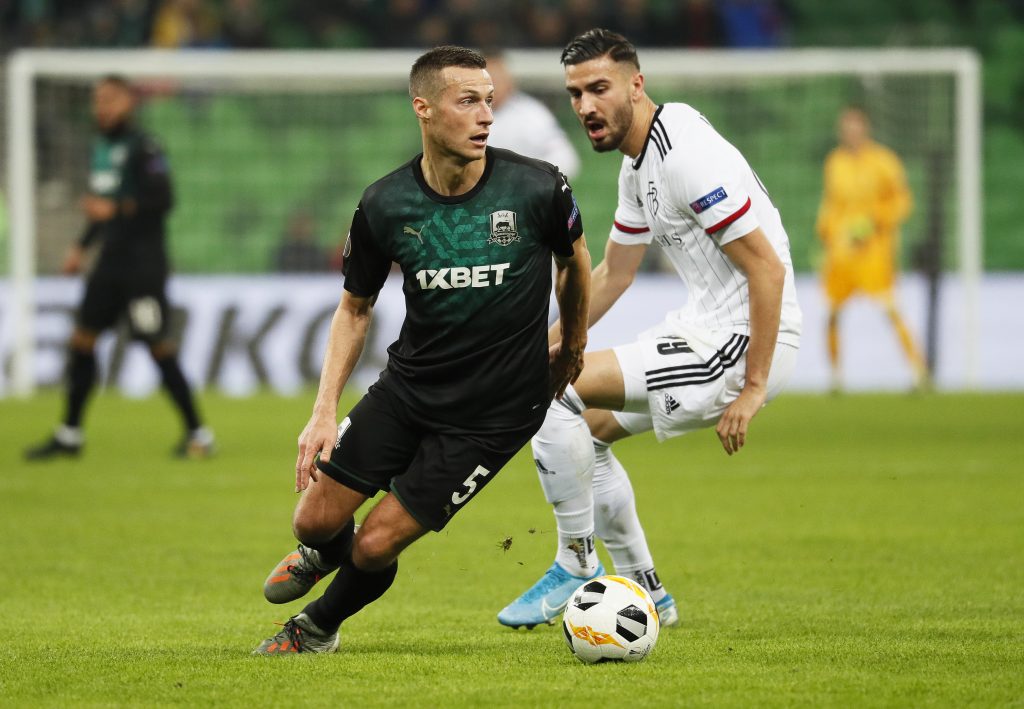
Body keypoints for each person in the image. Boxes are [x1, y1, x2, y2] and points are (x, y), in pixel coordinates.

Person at [253, 45, 591, 655]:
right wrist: (323, 410)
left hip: (495, 413)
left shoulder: (537, 187)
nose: (486, 115)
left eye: (489, 101)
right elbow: (354, 309)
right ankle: (321, 553)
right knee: (314, 521)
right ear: (424, 109)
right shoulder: (385, 204)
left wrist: (572, 342)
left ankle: (316, 628)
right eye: (468, 101)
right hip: (409, 390)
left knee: (374, 544)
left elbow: (575, 263)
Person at [497, 29, 802, 629]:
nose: (585, 106)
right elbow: (614, 274)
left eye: (599, 88)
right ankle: (646, 589)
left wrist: (754, 387)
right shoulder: (639, 164)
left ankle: (576, 560)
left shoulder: (688, 158)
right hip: (704, 327)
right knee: (585, 431)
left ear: (636, 85)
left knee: (555, 392)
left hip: (739, 343)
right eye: (575, 93)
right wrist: (540, 345)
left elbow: (766, 269)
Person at [26, 75, 214, 461]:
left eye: (110, 99)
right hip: (109, 263)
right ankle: (69, 434)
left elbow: (163, 199)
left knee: (157, 344)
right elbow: (103, 208)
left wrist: (116, 209)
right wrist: (81, 247)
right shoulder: (102, 146)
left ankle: (199, 433)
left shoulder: (145, 146)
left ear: (129, 102)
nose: (102, 107)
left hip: (142, 267)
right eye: (98, 100)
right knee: (82, 341)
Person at [817, 106, 928, 392]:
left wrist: (876, 220)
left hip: (874, 252)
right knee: (831, 312)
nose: (850, 133)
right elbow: (831, 203)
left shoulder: (883, 161)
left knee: (891, 309)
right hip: (841, 253)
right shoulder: (835, 162)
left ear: (865, 129)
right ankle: (835, 378)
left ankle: (917, 372)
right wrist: (825, 230)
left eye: (855, 127)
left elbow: (902, 201)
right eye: (846, 128)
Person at [483, 50, 581, 180]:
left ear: (510, 81)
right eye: (488, 80)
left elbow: (566, 160)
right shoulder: (463, 115)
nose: (494, 86)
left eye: (498, 79)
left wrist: (528, 177)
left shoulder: (533, 115)